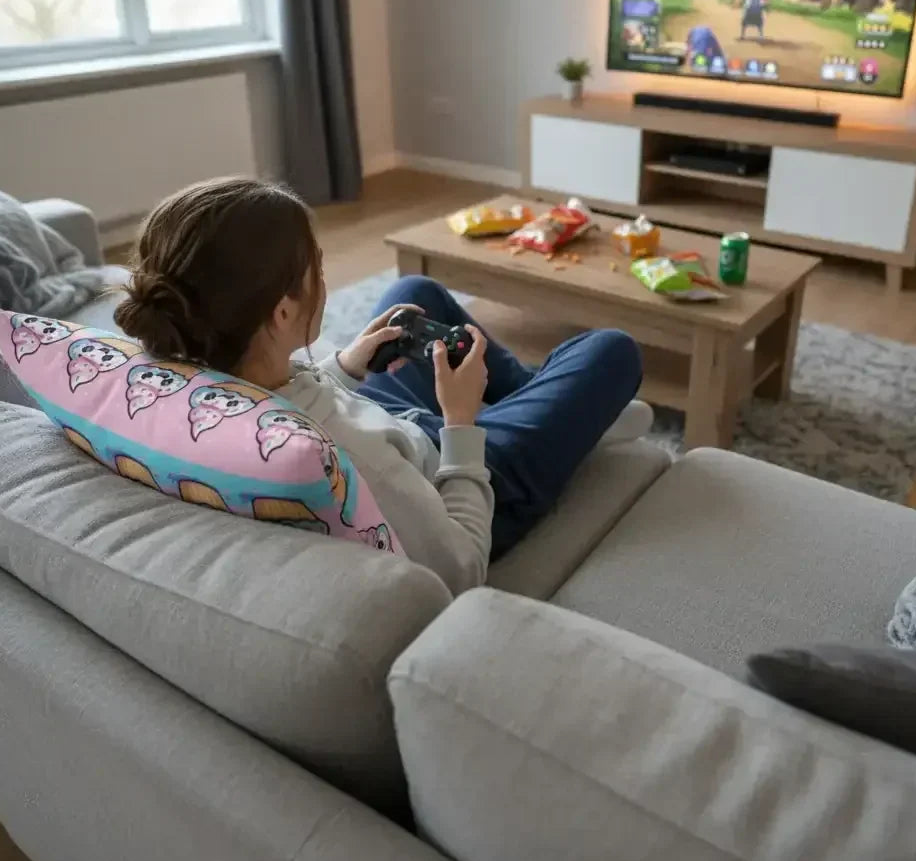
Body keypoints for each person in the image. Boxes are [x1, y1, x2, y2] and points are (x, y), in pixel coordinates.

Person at [115, 177, 645, 594]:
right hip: (459, 473)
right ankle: (550, 411)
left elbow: (292, 398)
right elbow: (461, 568)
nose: (323, 281)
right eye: (317, 270)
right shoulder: (347, 458)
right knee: (611, 350)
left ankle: (540, 401)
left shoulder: (193, 376)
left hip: (382, 422)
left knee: (414, 294)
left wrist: (344, 367)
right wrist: (461, 423)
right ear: (281, 312)